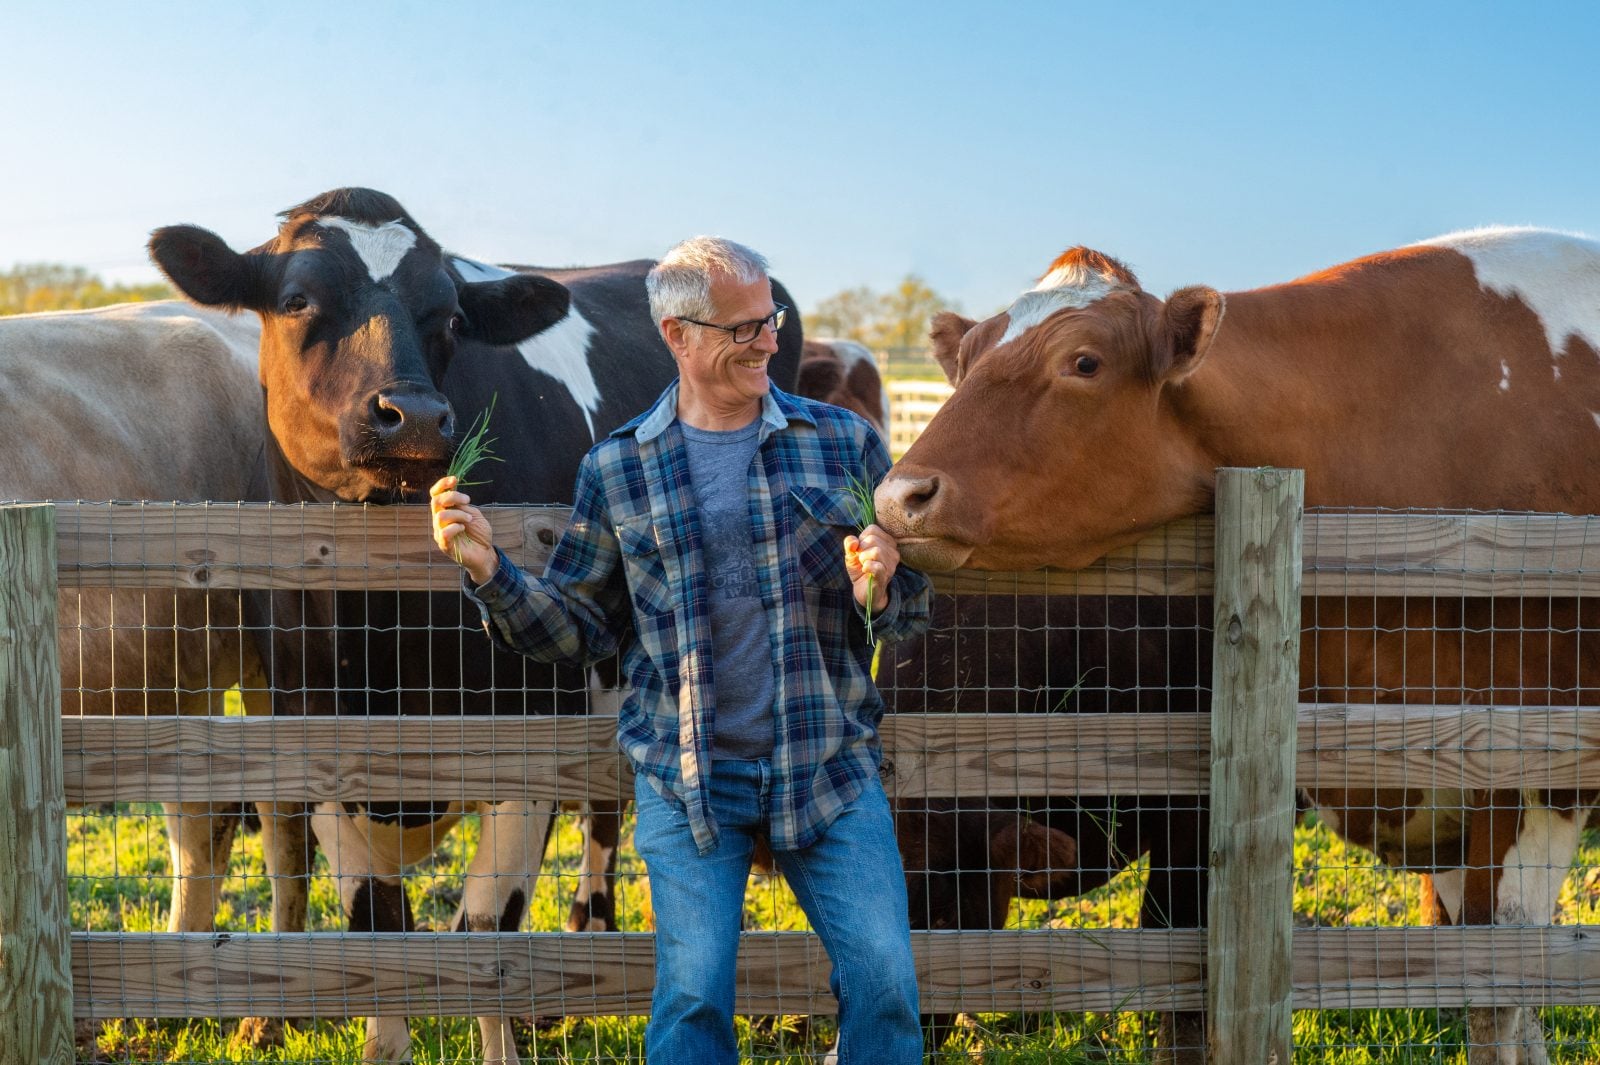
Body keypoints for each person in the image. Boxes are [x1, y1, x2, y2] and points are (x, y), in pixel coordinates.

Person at [429, 236, 932, 1063]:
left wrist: (884, 582)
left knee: (884, 979)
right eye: (743, 328)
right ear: (678, 335)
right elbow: (580, 628)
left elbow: (904, 614)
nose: (771, 340)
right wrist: (490, 570)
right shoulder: (621, 466)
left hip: (829, 763)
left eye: (770, 318)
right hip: (687, 774)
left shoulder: (844, 444)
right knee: (694, 1000)